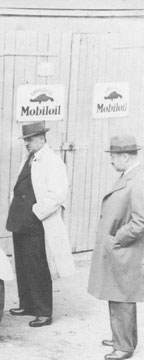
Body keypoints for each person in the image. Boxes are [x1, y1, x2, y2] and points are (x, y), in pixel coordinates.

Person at [6, 121, 75, 328]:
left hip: (36, 222)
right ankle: (27, 304)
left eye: (31, 139)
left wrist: (38, 212)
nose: (27, 143)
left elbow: (58, 194)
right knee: (23, 264)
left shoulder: (53, 161)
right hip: (20, 220)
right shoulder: (28, 158)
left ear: (43, 138)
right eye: (25, 139)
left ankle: (44, 311)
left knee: (38, 266)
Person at [88, 135, 144, 360]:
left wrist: (118, 238)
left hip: (125, 249)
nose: (110, 160)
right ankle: (122, 337)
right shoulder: (128, 176)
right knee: (117, 293)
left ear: (125, 156)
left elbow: (141, 220)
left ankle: (124, 347)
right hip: (120, 248)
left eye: (112, 156)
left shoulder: (138, 181)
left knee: (122, 296)